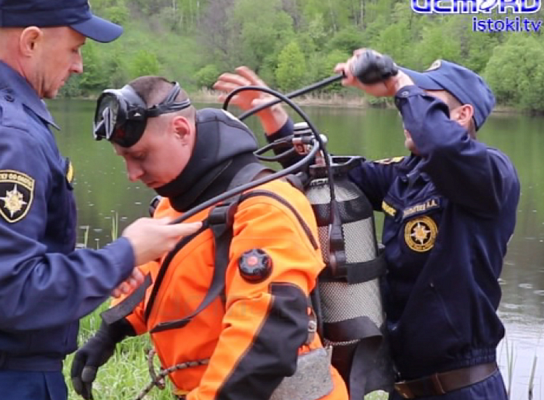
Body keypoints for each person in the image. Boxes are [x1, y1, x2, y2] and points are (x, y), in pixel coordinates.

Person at [0, 1, 201, 399]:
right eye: (74, 48)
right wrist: (125, 253)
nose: (79, 64)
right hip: (1, 381)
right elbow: (14, 293)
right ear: (31, 41)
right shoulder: (5, 139)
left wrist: (93, 263)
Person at [213, 50, 520, 400]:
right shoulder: (406, 176)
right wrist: (274, 115)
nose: (408, 109)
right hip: (407, 388)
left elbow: (444, 146)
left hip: (465, 387)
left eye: (425, 98)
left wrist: (401, 85)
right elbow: (324, 178)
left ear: (464, 114)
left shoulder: (492, 174)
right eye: (411, 97)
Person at [69, 76, 349, 400]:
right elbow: (163, 272)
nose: (132, 174)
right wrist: (112, 328)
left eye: (141, 156)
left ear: (181, 130)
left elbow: (264, 336)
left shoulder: (265, 208)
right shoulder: (177, 203)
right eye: (125, 159)